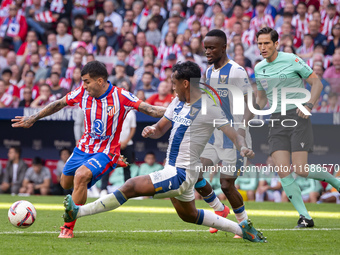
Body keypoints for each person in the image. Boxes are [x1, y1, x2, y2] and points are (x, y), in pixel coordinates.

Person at [61, 61, 266, 243]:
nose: (171, 87)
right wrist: (152, 130)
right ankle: (243, 229)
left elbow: (232, 133)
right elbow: (160, 128)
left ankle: (78, 211)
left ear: (185, 83)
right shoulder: (177, 102)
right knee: (189, 215)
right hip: (174, 168)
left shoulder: (208, 107)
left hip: (181, 173)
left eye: (174, 82)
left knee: (131, 186)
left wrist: (243, 146)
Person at [12, 60, 167, 238]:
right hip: (83, 148)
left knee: (81, 176)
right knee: (65, 184)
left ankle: (68, 227)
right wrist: (34, 117)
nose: (83, 86)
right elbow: (59, 103)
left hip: (106, 150)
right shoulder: (81, 93)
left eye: (86, 82)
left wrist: (178, 110)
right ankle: (112, 164)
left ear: (100, 81)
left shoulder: (121, 96)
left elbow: (151, 110)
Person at [254, 27, 340, 227]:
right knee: (283, 169)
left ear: (276, 44)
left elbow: (316, 84)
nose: (263, 47)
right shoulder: (259, 69)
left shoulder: (292, 59)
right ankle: (305, 218)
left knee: (300, 169)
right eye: (259, 43)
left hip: (297, 116)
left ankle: (335, 182)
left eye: (267, 43)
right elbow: (260, 100)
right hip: (275, 119)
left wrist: (309, 105)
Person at [193, 29, 254, 237]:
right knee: (194, 172)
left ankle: (244, 224)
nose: (208, 51)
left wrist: (242, 131)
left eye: (212, 48)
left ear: (224, 47)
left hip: (233, 137)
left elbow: (250, 104)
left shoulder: (236, 71)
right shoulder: (208, 72)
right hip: (212, 136)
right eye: (206, 48)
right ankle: (219, 209)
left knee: (227, 184)